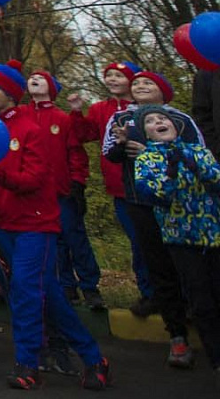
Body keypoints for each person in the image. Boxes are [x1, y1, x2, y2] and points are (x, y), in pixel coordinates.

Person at [0, 63, 110, 392]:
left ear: (9, 94)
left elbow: (36, 179)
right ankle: (94, 358)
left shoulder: (30, 129)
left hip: (36, 224)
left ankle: (27, 363)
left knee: (25, 290)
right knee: (47, 294)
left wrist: (1, 178)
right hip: (4, 224)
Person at [127, 100, 220, 396]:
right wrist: (171, 174)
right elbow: (155, 196)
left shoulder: (199, 152)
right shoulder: (145, 160)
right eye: (150, 121)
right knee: (203, 303)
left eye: (163, 118)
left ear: (176, 125)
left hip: (218, 235)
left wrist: (193, 163)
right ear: (145, 133)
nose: (158, 123)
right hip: (181, 239)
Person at [103, 69, 198, 368]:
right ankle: (177, 337)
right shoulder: (120, 119)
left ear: (163, 91)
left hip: (180, 203)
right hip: (139, 200)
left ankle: (213, 332)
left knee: (190, 265)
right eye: (137, 83)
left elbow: (199, 154)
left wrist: (151, 151)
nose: (141, 86)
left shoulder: (180, 119)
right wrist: (121, 145)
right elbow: (109, 154)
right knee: (159, 266)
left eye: (148, 82)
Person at [70, 60, 152, 313]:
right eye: (109, 76)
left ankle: (166, 292)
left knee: (152, 242)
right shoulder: (100, 109)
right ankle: (148, 292)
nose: (113, 80)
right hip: (119, 187)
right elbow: (85, 134)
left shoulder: (145, 109)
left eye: (119, 75)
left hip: (151, 184)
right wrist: (75, 112)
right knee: (137, 241)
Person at [23, 69, 105, 312]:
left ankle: (90, 286)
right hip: (34, 193)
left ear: (51, 87)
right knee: (53, 242)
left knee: (74, 236)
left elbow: (76, 154)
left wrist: (78, 183)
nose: (34, 80)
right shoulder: (22, 115)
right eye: (30, 78)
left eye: (40, 79)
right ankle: (66, 285)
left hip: (62, 191)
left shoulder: (62, 118)